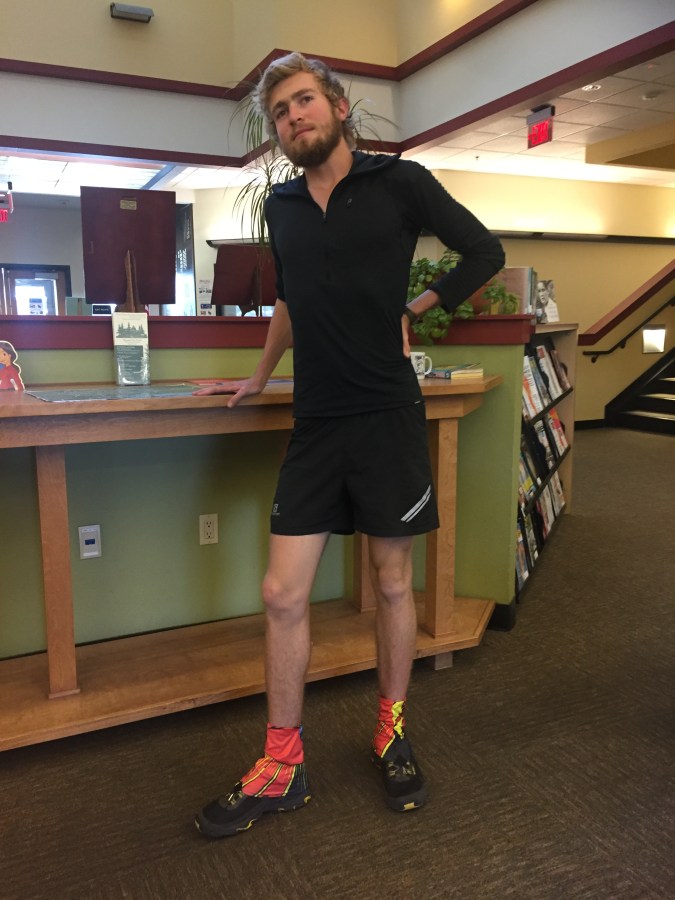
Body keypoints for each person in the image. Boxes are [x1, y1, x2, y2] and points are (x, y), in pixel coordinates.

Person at [194, 52, 505, 838]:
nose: (292, 117)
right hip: (317, 420)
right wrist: (258, 374)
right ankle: (282, 763)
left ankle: (390, 733)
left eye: (303, 101)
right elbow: (289, 300)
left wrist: (415, 307)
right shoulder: (282, 205)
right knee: (281, 593)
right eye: (279, 112)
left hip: (385, 415)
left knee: (392, 582)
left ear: (336, 106)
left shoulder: (399, 183)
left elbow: (483, 252)